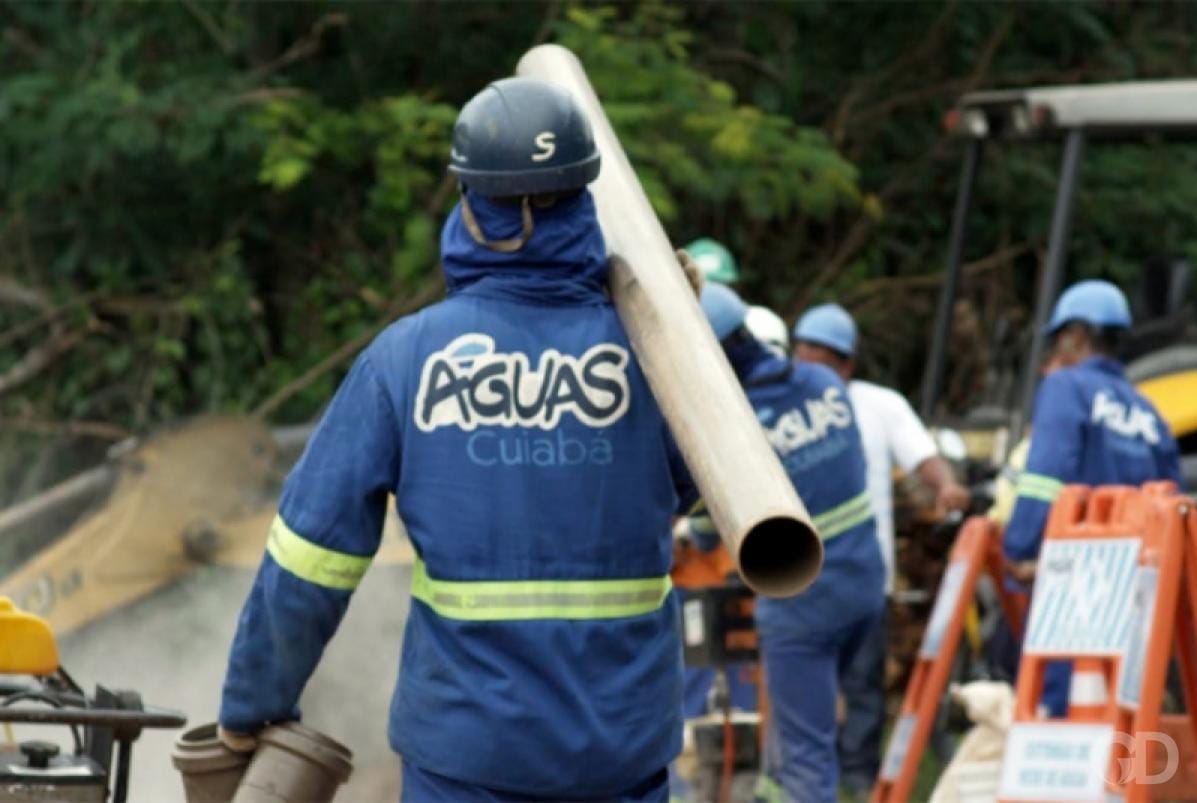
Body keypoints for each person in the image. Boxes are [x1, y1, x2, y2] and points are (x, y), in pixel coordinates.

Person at [217, 76, 699, 802]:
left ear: (470, 202)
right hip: (623, 756)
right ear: (584, 196)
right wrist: (681, 335)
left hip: (469, 758)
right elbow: (695, 486)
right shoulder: (656, 353)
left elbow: (308, 560)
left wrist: (252, 706)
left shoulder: (403, 360)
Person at [695, 284, 884, 803]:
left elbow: (710, 529)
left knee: (806, 756)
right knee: (794, 736)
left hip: (804, 607)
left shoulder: (737, 428)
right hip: (866, 588)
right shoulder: (825, 381)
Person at [791, 302, 969, 793]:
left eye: (822, 359)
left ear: (847, 366)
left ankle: (860, 777)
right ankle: (807, 777)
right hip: (797, 579)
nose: (809, 367)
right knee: (804, 690)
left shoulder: (878, 405)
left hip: (865, 576)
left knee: (864, 686)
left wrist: (946, 486)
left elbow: (922, 455)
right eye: (802, 355)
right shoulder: (782, 404)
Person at [1002, 279, 1180, 714]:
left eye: (1060, 339)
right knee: (1115, 707)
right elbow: (1171, 501)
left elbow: (1046, 474)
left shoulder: (1067, 388)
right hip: (1137, 589)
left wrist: (1020, 544)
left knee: (1062, 707)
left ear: (1076, 335)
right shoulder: (1148, 412)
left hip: (1077, 583)